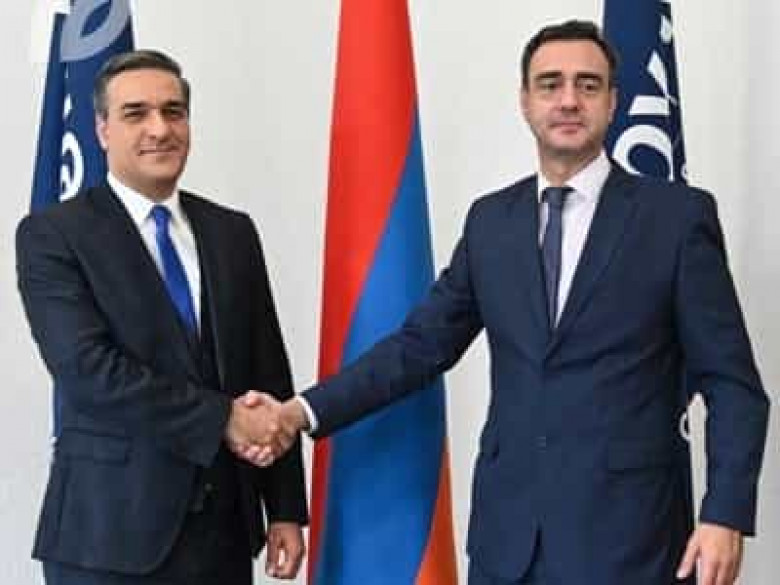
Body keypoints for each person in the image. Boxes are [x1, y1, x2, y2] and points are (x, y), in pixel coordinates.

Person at [242, 20, 770, 585]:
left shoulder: (676, 219)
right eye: (550, 84)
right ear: (525, 101)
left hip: (628, 542)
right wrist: (298, 412)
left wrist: (724, 513)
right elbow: (418, 348)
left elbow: (732, 384)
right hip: (507, 544)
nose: (569, 100)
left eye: (588, 85)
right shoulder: (491, 222)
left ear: (614, 102)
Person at [16, 50, 307, 585]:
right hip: (108, 535)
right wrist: (222, 419)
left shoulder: (232, 232)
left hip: (224, 533)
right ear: (102, 130)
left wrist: (285, 506)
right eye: (136, 113)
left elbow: (267, 368)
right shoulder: (53, 235)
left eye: (174, 111)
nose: (160, 129)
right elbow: (87, 370)